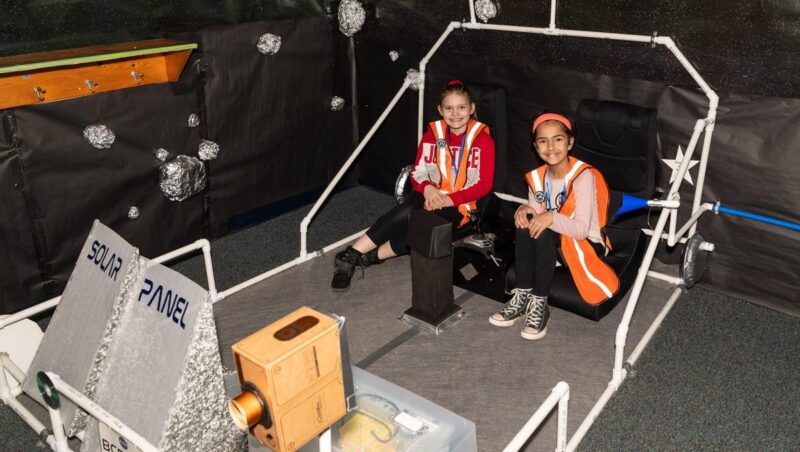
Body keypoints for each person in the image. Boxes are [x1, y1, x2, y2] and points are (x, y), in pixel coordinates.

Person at [331, 80, 496, 291]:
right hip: (430, 191)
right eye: (449, 108)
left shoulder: (483, 141)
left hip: (460, 204)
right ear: (440, 110)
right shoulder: (432, 135)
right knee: (406, 210)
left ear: (471, 108)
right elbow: (418, 172)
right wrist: (427, 188)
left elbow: (483, 185)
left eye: (461, 107)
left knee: (424, 227)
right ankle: (350, 256)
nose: (455, 113)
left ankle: (370, 258)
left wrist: (448, 199)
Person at [489, 113, 619, 340]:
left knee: (544, 229)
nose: (550, 147)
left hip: (585, 244)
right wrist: (523, 210)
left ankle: (540, 303)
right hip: (554, 241)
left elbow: (579, 229)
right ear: (535, 146)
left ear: (570, 143)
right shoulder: (537, 177)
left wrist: (549, 217)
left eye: (558, 139)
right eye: (542, 141)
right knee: (524, 224)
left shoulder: (582, 176)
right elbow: (536, 213)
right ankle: (522, 297)